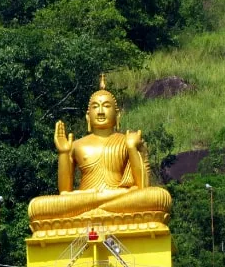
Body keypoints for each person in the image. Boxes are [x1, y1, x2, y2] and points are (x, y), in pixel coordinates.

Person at [27, 76, 171, 233]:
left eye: (106, 106)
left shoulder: (127, 141)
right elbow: (64, 192)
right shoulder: (76, 145)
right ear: (88, 116)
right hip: (91, 199)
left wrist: (131, 147)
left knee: (157, 197)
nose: (101, 112)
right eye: (95, 107)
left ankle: (96, 208)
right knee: (37, 206)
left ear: (117, 115)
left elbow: (143, 186)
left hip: (114, 198)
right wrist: (63, 153)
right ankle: (102, 206)